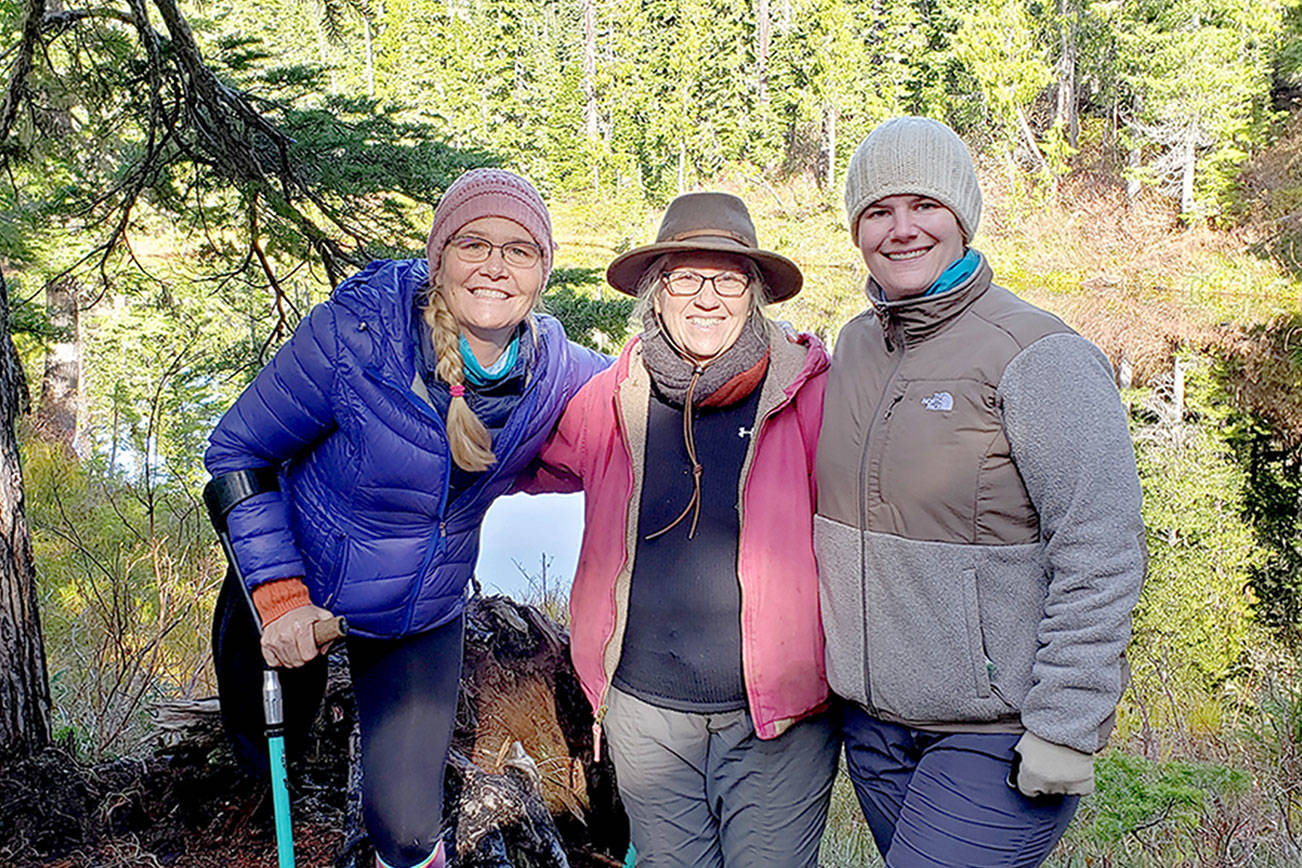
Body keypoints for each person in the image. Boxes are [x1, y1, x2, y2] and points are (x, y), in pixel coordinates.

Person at [204, 168, 607, 868]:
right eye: (473, 244)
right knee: (260, 757)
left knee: (409, 830)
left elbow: (651, 388)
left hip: (418, 616)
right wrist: (277, 598)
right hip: (298, 586)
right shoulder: (357, 337)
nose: (493, 267)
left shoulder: (555, 368)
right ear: (437, 257)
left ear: (543, 272)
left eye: (519, 251)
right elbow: (238, 451)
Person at [814, 115, 1146, 867]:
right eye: (877, 211)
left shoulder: (1039, 354)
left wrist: (1066, 723)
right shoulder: (857, 343)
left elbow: (1101, 547)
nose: (901, 230)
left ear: (962, 216)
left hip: (994, 733)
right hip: (874, 729)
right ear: (856, 230)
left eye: (924, 206)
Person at [523, 192, 839, 867]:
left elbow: (882, 507)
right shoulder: (613, 393)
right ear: (656, 292)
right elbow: (515, 458)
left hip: (775, 722)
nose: (706, 298)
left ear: (753, 294)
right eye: (685, 278)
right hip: (645, 716)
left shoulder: (809, 394)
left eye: (727, 279)